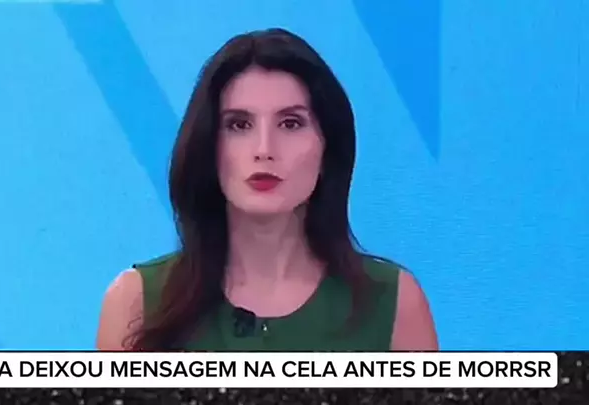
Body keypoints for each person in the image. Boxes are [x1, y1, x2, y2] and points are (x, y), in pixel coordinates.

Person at [96, 28, 438, 351]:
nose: (264, 149)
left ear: (328, 148)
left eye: (290, 123)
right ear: (208, 145)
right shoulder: (136, 303)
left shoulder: (394, 304)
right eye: (239, 124)